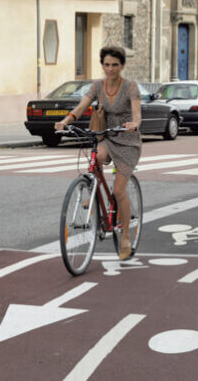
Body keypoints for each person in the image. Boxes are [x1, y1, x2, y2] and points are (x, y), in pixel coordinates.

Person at [55, 46, 142, 261]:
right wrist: (66, 121)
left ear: (122, 66)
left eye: (115, 65)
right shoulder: (97, 85)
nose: (110, 69)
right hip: (107, 136)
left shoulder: (130, 87)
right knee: (96, 159)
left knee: (120, 190)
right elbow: (82, 105)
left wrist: (135, 123)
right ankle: (93, 192)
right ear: (102, 65)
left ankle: (125, 239)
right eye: (106, 64)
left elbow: (137, 112)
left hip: (128, 140)